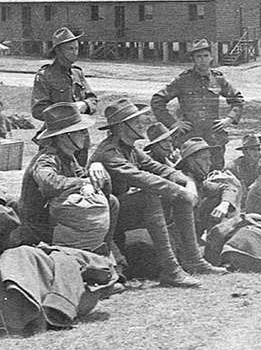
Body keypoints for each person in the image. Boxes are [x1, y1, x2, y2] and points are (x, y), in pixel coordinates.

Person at [90, 98, 213, 287]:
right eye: (135, 121)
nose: (142, 124)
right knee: (151, 197)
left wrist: (187, 182)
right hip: (106, 217)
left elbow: (160, 169)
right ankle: (171, 271)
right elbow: (143, 178)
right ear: (122, 127)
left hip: (119, 210)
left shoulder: (129, 149)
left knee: (177, 198)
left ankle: (194, 260)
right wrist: (180, 190)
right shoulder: (110, 153)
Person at [16, 103, 118, 258]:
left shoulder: (69, 157)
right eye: (80, 132)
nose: (85, 135)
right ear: (64, 136)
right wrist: (85, 183)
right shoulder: (47, 159)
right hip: (41, 227)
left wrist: (98, 170)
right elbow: (50, 183)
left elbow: (89, 180)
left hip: (58, 220)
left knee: (111, 202)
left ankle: (102, 252)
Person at [150, 39, 245, 170]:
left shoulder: (218, 79)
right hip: (190, 138)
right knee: (189, 173)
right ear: (193, 59)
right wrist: (173, 124)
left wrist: (229, 119)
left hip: (213, 138)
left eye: (206, 56)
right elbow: (157, 100)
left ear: (211, 57)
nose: (203, 60)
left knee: (215, 172)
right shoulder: (183, 80)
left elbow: (237, 99)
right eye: (198, 57)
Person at [32, 27, 98, 165]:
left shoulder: (77, 73)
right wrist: (67, 111)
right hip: (57, 138)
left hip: (80, 135)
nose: (75, 53)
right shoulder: (45, 75)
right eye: (70, 49)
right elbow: (38, 110)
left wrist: (84, 105)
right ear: (59, 51)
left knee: (80, 174)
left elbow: (93, 100)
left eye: (76, 49)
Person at [175, 137, 242, 240]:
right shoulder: (180, 181)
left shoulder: (199, 181)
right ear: (190, 162)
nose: (209, 163)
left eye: (209, 158)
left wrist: (224, 204)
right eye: (204, 159)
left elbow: (228, 188)